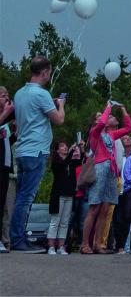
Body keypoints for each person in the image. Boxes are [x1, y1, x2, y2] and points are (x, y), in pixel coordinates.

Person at [10, 56, 65, 252]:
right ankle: (17, 239)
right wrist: (61, 104)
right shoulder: (41, 94)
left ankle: (17, 236)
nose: (49, 75)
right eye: (49, 72)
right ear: (44, 72)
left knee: (21, 197)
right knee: (26, 197)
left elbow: (32, 112)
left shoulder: (19, 93)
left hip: (23, 150)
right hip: (36, 151)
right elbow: (58, 120)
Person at [81, 102, 131, 254]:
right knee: (94, 207)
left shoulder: (110, 134)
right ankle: (85, 244)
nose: (105, 117)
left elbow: (129, 128)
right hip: (100, 169)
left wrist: (123, 110)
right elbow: (102, 122)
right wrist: (108, 107)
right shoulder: (94, 133)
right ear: (96, 121)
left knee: (105, 208)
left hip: (111, 171)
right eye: (101, 116)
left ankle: (98, 244)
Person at [47, 140, 82, 254]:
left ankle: (61, 247)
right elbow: (62, 166)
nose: (65, 147)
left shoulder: (71, 162)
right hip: (58, 195)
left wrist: (80, 149)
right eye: (62, 146)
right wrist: (72, 152)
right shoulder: (56, 162)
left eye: (66, 146)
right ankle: (51, 247)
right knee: (55, 221)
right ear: (57, 150)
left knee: (65, 222)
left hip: (69, 195)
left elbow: (81, 161)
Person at [0, 86, 14, 253]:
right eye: (3, 96)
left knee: (2, 203)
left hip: (4, 165)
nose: (6, 99)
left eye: (7, 96)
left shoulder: (5, 119)